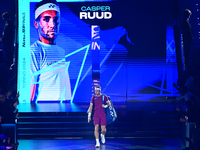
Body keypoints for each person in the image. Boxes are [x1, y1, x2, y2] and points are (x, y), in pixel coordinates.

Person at [30, 0, 71, 102]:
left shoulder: (61, 51)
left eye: (56, 19)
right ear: (36, 24)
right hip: (44, 112)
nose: (53, 25)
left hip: (63, 111)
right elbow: (31, 89)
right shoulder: (34, 51)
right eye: (47, 19)